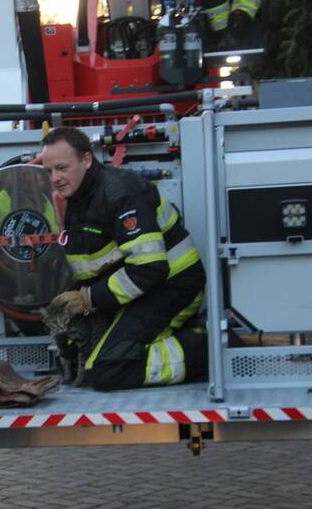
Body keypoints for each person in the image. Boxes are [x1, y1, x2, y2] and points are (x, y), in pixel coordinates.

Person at [41, 126, 208, 390]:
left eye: (62, 168)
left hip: (174, 285)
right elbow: (96, 262)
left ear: (86, 160)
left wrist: (87, 299)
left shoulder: (121, 194)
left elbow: (150, 269)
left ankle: (203, 350)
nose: (56, 178)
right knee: (80, 348)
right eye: (49, 171)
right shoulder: (78, 197)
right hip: (140, 291)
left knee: (108, 369)